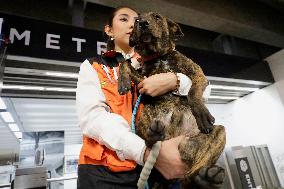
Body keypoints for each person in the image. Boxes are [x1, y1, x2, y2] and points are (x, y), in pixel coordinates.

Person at [76, 6, 223, 189]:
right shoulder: (93, 65)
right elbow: (92, 118)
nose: (134, 23)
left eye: (136, 20)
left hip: (163, 169)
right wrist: (146, 153)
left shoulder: (157, 59)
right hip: (106, 174)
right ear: (109, 30)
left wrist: (176, 81)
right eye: (124, 19)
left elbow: (205, 91)